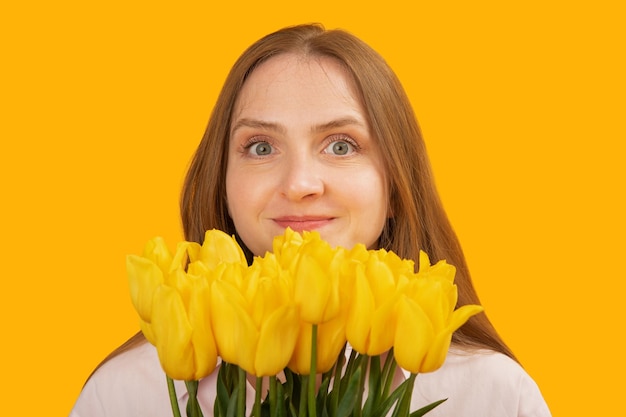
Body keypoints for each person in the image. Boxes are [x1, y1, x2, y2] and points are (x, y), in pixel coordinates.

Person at [70, 23, 551, 416]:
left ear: (396, 190)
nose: (299, 183)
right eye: (260, 147)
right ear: (222, 186)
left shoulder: (495, 399)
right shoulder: (124, 398)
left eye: (341, 145)